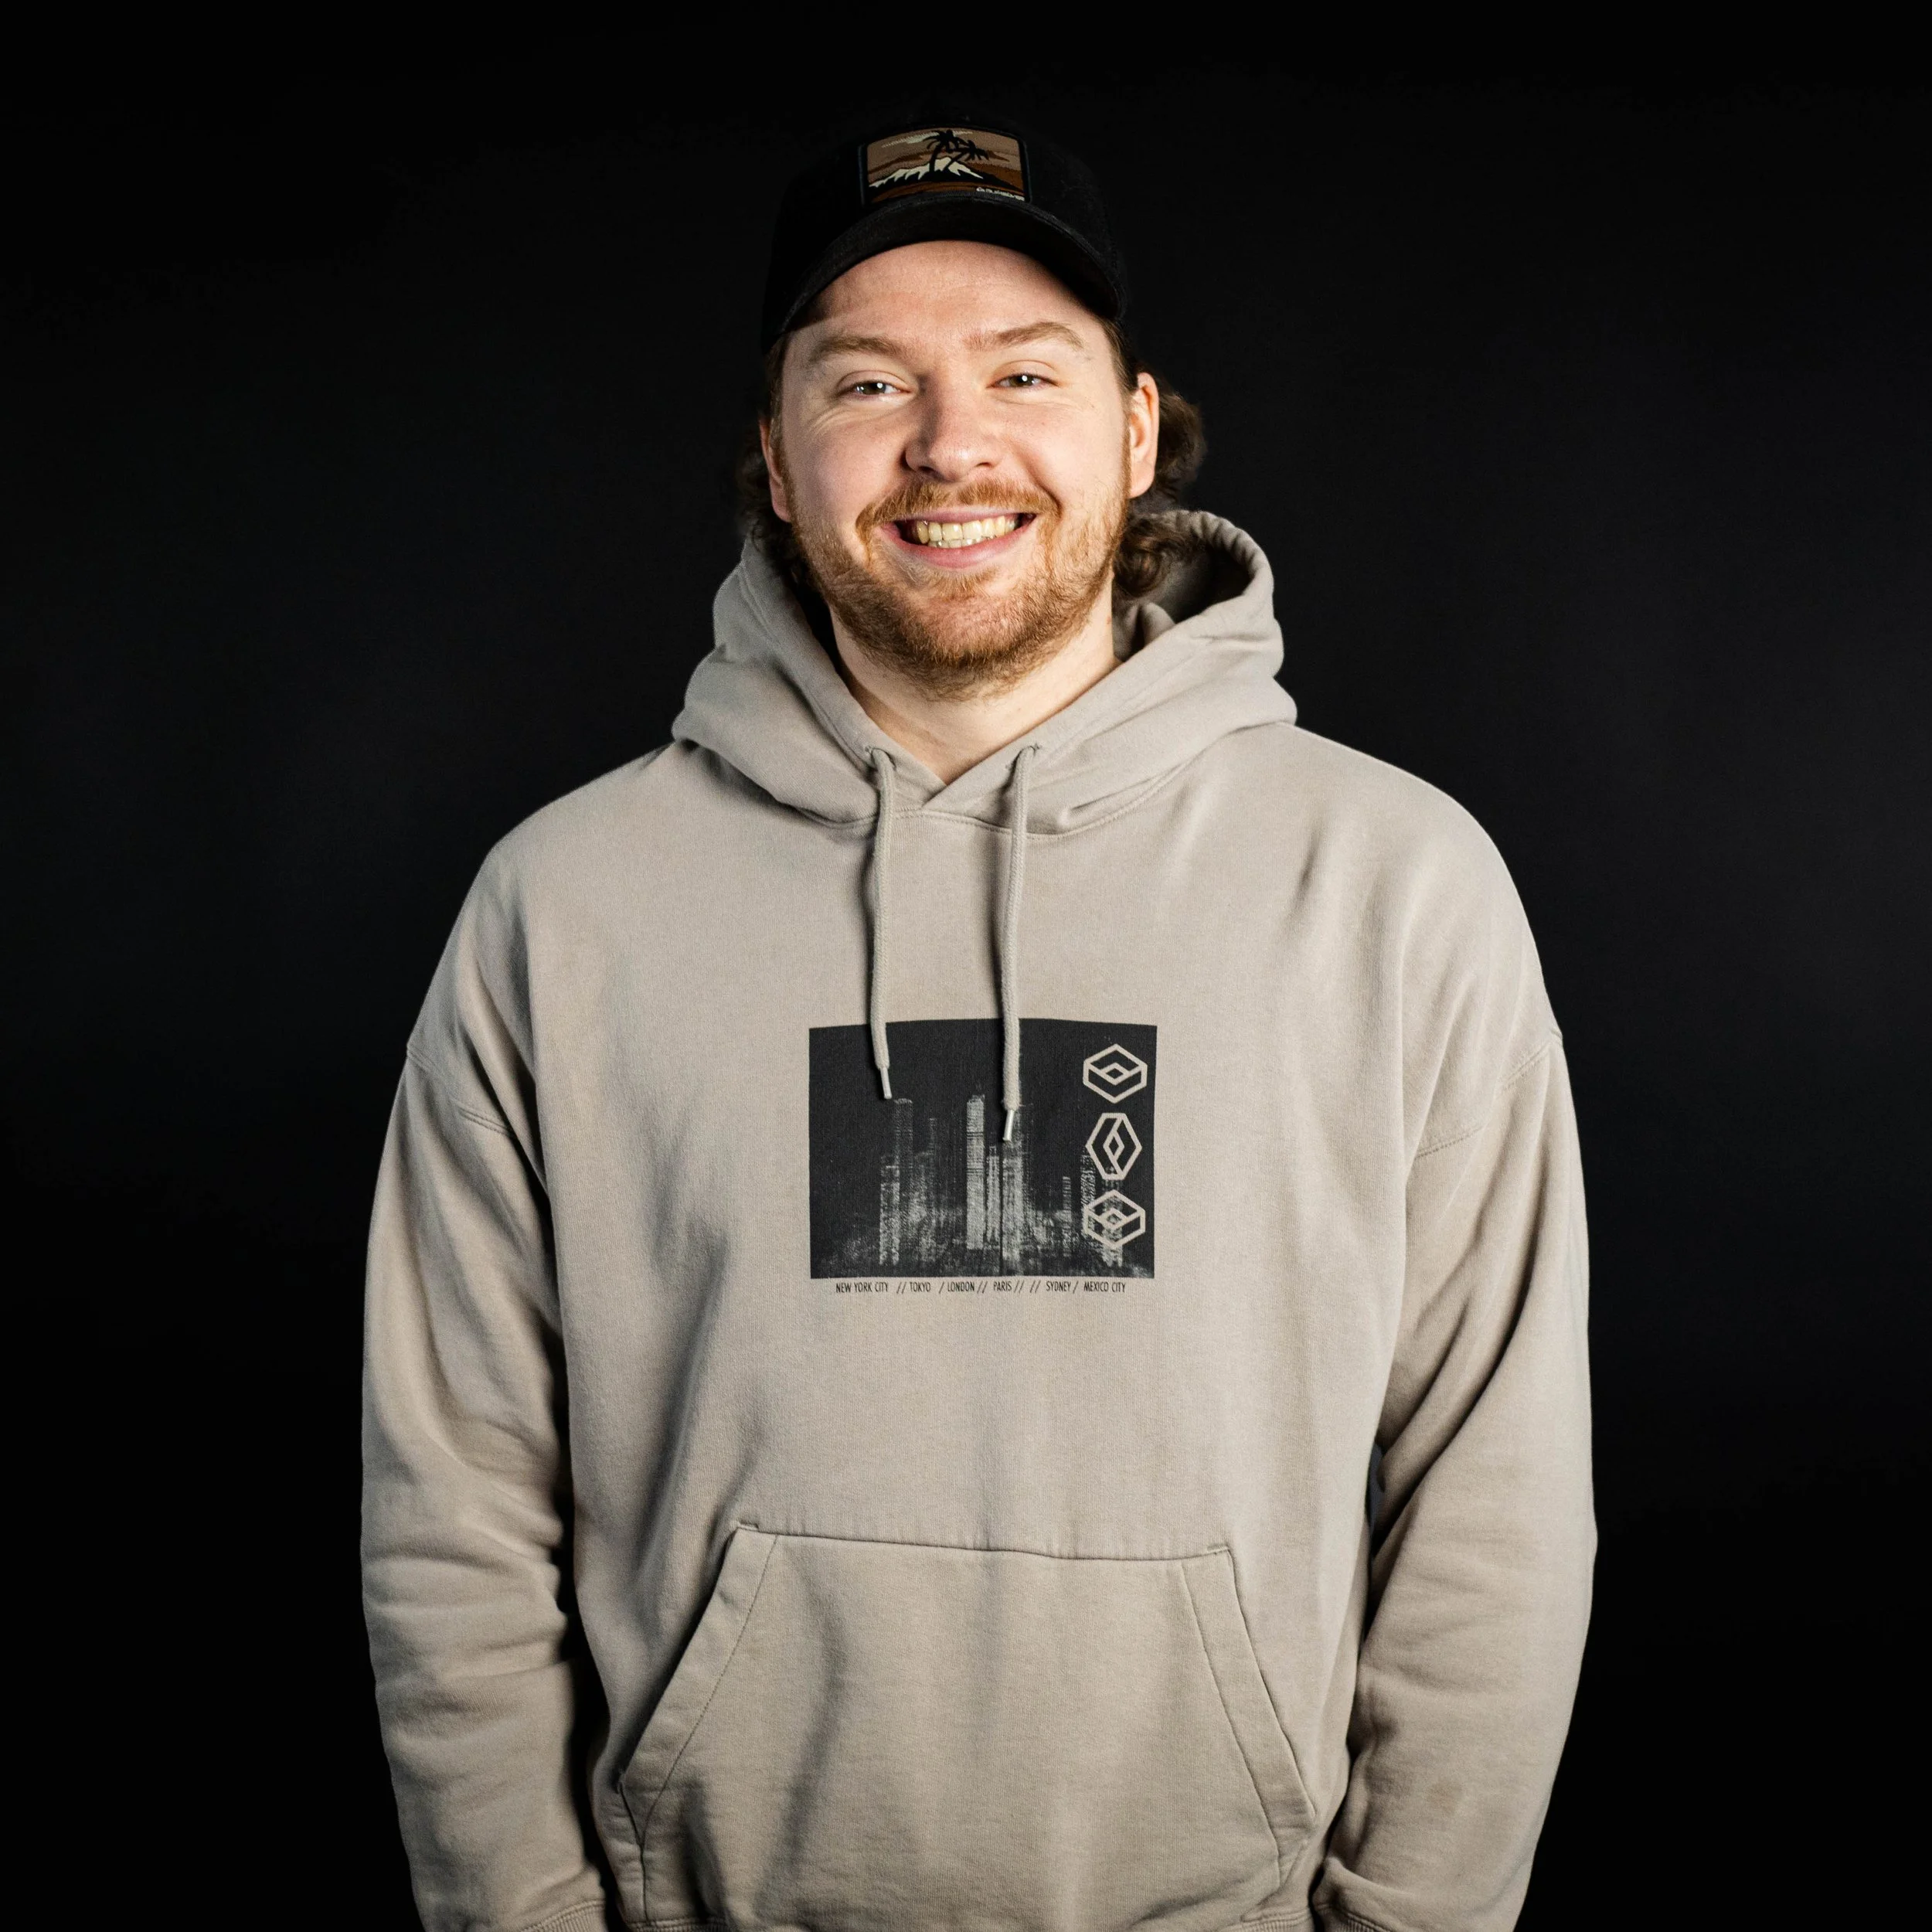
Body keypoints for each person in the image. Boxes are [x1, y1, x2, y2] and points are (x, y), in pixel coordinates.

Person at [362, 114, 1594, 1932]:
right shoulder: (563, 909)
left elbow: (1489, 1493)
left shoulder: (1397, 886)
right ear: (777, 462)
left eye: (1024, 370)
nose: (950, 442)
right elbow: (449, 1507)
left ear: (1128, 426)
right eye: (867, 381)